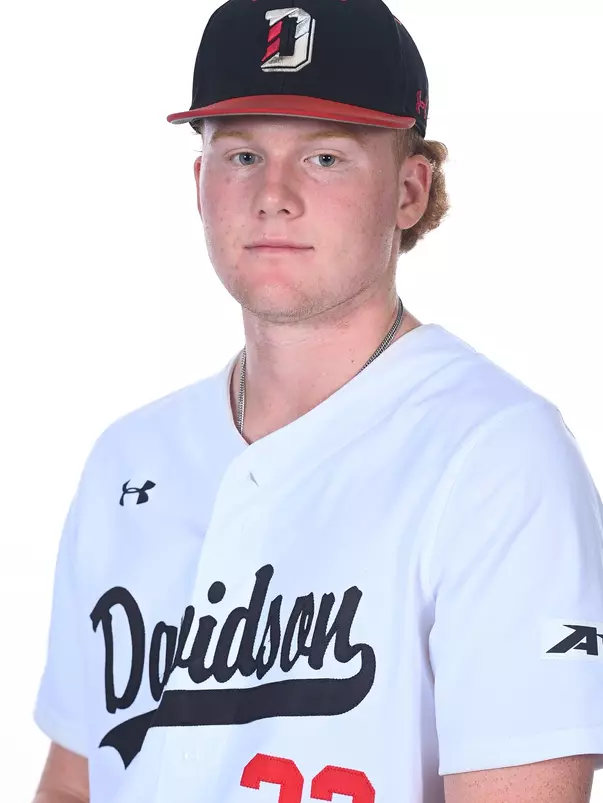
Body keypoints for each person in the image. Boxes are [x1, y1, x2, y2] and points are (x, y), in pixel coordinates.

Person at [32, 0, 603, 801]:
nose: (273, 194)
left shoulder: (498, 457)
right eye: (241, 155)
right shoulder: (128, 457)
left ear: (409, 190)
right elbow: (73, 784)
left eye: (325, 157)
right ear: (199, 184)